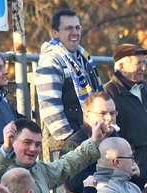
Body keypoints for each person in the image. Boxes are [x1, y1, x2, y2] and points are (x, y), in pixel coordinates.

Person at [34, 8, 103, 154]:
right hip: (70, 145)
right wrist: (70, 140)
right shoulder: (51, 60)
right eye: (68, 28)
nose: (75, 32)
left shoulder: (84, 58)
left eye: (77, 27)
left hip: (90, 138)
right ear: (55, 33)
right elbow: (49, 106)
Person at [104, 43, 147, 188]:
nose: (144, 68)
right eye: (138, 63)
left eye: (144, 62)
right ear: (121, 67)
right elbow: (112, 133)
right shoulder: (110, 93)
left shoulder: (146, 89)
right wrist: (130, 159)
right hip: (132, 170)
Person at [60, 92, 119, 193]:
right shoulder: (74, 144)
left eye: (112, 113)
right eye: (102, 113)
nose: (109, 118)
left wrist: (138, 174)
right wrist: (113, 172)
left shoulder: (116, 138)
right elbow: (74, 183)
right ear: (87, 116)